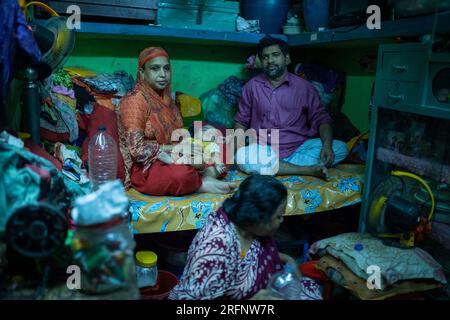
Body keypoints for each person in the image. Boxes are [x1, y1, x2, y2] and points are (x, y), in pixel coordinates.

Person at [169, 175, 322, 300]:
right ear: (259, 218)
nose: (282, 221)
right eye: (279, 216)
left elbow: (250, 255)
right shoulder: (216, 251)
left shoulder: (241, 222)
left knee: (309, 289)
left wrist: (287, 259)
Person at [118, 47, 235, 196]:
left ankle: (203, 177)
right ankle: (202, 182)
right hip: (147, 166)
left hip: (175, 156)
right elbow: (137, 150)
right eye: (155, 69)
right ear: (142, 73)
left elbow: (179, 136)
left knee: (220, 149)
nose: (163, 74)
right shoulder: (134, 101)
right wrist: (174, 150)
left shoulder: (168, 102)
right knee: (181, 174)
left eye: (166, 69)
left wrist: (194, 144)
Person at [234, 36, 348, 179]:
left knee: (340, 148)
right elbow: (241, 121)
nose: (270, 61)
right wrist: (239, 150)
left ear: (287, 59)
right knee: (243, 156)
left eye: (275, 55)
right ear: (261, 62)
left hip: (297, 150)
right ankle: (305, 170)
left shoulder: (304, 87)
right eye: (265, 57)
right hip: (263, 150)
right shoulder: (252, 86)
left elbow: (322, 118)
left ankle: (278, 167)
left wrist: (326, 145)